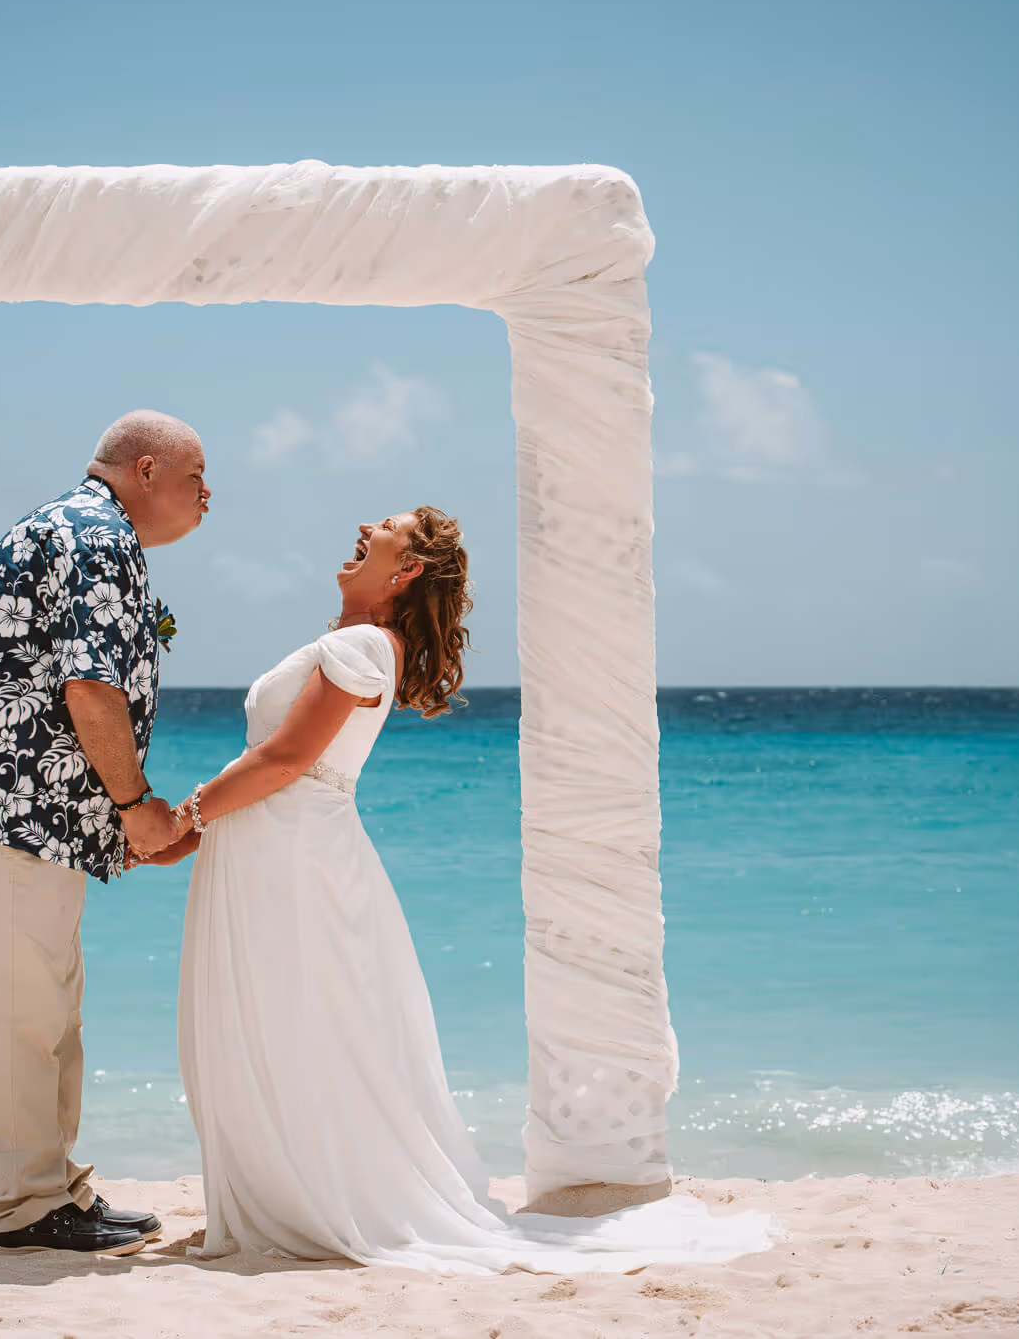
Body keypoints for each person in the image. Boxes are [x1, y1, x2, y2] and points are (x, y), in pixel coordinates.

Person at [139, 506, 774, 1274]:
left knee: (300, 1020)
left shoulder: (364, 643)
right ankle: (291, 1187)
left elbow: (286, 757)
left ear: (404, 570)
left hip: (295, 856)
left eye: (388, 526)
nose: (367, 523)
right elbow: (281, 763)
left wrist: (184, 816)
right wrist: (198, 829)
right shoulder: (360, 641)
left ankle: (318, 1194)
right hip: (275, 848)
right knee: (283, 1020)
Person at [0, 410, 209, 1256]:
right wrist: (138, 804)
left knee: (46, 1009)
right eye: (196, 477)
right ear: (145, 469)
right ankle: (31, 1205)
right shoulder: (94, 535)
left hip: (20, 811)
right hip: (4, 806)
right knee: (22, 1014)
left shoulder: (83, 529)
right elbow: (89, 687)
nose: (207, 494)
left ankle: (53, 1189)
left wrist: (114, 819)